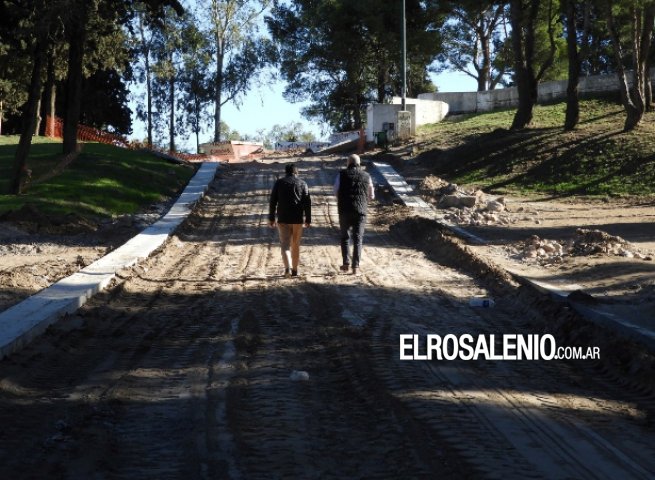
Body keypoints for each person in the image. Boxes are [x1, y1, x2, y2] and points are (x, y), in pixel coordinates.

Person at [334, 154, 374, 275]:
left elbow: (335, 191)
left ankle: (345, 264)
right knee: (358, 239)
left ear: (348, 163)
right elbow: (371, 195)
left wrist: (340, 200)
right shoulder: (367, 176)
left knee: (345, 237)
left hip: (344, 210)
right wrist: (364, 200)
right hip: (360, 211)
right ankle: (355, 267)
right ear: (359, 163)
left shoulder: (341, 174)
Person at [269, 164, 312, 277]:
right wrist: (308, 218)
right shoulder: (303, 183)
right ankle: (295, 270)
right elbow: (307, 202)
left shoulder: (279, 183)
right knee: (295, 244)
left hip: (283, 218)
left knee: (285, 244)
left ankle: (287, 268)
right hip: (297, 219)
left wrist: (271, 218)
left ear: (286, 172)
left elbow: (273, 201)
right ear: (296, 172)